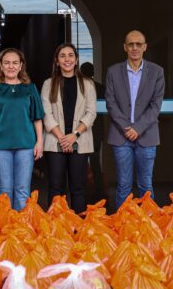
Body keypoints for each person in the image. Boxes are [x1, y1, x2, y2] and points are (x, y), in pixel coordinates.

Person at [104, 30, 165, 209]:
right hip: (120, 137)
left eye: (139, 44)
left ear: (145, 47)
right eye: (131, 44)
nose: (135, 48)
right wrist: (126, 127)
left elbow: (156, 105)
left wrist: (137, 128)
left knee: (145, 185)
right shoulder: (113, 72)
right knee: (123, 184)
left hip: (147, 136)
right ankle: (123, 227)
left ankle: (149, 227)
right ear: (125, 47)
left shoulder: (157, 72)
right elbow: (110, 102)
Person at [0, 48, 44, 211]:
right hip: (0, 145)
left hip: (26, 145)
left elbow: (37, 118)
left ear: (21, 66)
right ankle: (5, 230)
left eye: (15, 63)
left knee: (23, 191)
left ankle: (20, 231)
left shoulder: (30, 89)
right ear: (1, 66)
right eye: (7, 63)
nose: (11, 66)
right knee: (4, 191)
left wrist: (40, 142)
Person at [41, 43, 97, 214]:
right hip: (54, 141)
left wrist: (74, 135)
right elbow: (46, 114)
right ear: (57, 61)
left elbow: (91, 113)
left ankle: (77, 229)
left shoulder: (87, 84)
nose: (67, 59)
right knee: (56, 188)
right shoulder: (48, 84)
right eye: (62, 56)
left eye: (70, 55)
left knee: (78, 188)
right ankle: (55, 229)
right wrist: (62, 137)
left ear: (76, 59)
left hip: (80, 141)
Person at [80, 62, 106, 202]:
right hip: (97, 131)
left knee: (81, 163)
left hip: (82, 131)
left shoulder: (79, 88)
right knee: (96, 163)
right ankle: (99, 192)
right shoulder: (101, 87)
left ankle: (83, 193)